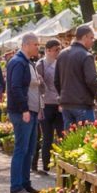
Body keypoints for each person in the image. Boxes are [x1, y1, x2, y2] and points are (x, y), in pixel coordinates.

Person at [6, 34, 42, 193]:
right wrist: (24, 109)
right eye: (35, 44)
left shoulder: (27, 62)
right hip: (23, 112)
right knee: (21, 148)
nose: (37, 47)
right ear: (26, 45)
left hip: (32, 111)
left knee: (29, 149)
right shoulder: (18, 62)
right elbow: (15, 88)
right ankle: (16, 185)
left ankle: (25, 183)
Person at [55, 25, 97, 130]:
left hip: (66, 105)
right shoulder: (86, 55)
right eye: (91, 38)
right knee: (86, 141)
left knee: (71, 142)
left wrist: (63, 96)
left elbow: (56, 81)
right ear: (84, 37)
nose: (93, 41)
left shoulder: (62, 54)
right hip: (82, 104)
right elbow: (91, 80)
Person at [35, 38, 64, 173]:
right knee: (47, 137)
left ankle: (63, 165)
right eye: (56, 50)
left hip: (59, 104)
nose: (58, 52)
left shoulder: (61, 64)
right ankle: (45, 165)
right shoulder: (40, 64)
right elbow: (37, 86)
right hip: (46, 104)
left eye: (59, 49)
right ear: (48, 50)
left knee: (62, 135)